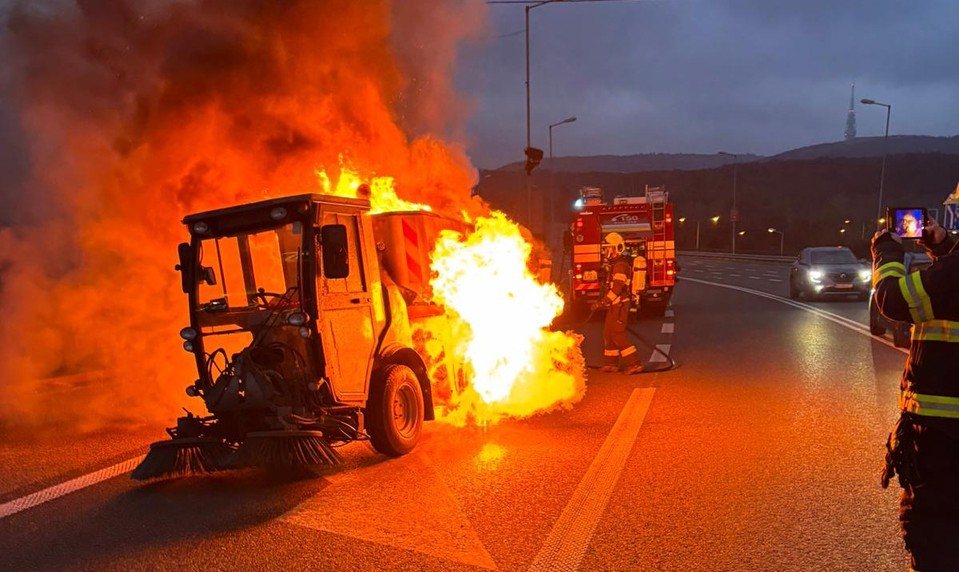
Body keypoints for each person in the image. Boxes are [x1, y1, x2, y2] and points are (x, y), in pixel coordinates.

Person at [872, 219, 959, 571]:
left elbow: (892, 300)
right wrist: (945, 247)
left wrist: (886, 254)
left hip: (945, 440)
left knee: (938, 539)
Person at [593, 232, 643, 375]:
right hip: (615, 305)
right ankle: (611, 364)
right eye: (605, 249)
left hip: (620, 305)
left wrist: (603, 302)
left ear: (618, 248)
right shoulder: (615, 264)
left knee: (617, 334)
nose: (605, 252)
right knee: (608, 333)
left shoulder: (621, 265)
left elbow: (617, 288)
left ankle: (634, 364)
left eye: (609, 248)